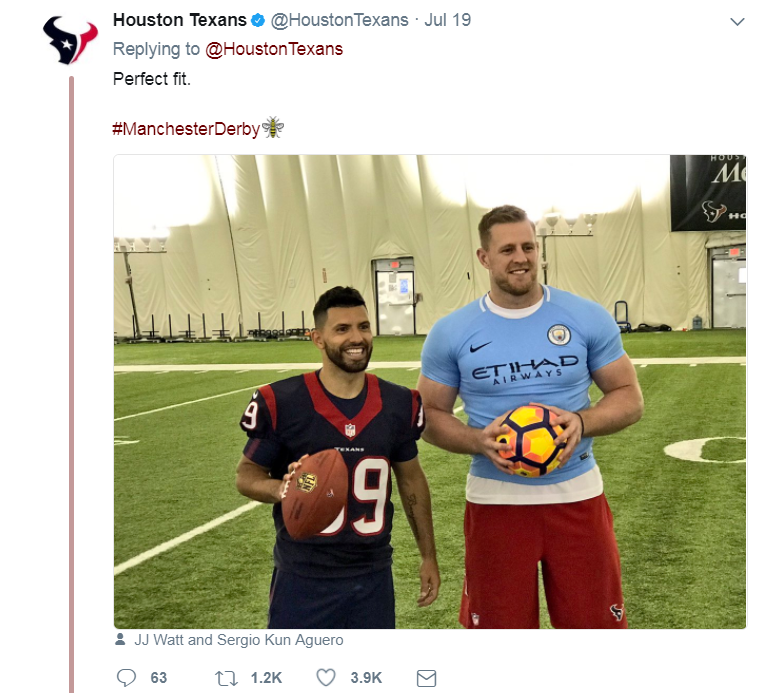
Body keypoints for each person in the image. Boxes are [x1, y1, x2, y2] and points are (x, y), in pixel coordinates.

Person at [418, 205, 644, 629]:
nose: (520, 257)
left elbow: (629, 396)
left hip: (577, 495)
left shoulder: (584, 316)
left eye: (528, 246)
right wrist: (477, 441)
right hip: (494, 501)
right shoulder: (451, 331)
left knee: (593, 629)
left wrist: (582, 421)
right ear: (484, 257)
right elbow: (428, 414)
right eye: (507, 249)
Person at [236, 286, 440, 628]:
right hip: (302, 576)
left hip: (372, 574)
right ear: (318, 338)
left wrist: (428, 555)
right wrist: (284, 490)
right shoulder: (282, 401)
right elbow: (246, 475)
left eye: (363, 326)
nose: (356, 337)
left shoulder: (398, 403)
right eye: (342, 329)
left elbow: (410, 479)